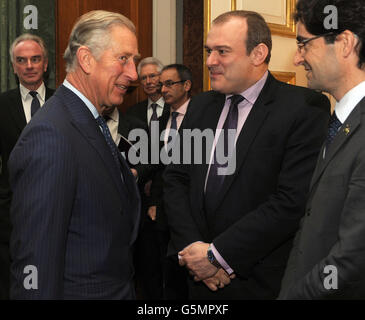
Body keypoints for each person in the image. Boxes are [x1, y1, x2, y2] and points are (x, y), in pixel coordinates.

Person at [163, 10, 330, 299]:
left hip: (257, 280)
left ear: (258, 53)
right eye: (208, 51)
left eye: (222, 51)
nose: (210, 61)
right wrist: (196, 253)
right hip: (197, 280)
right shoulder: (201, 106)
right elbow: (176, 178)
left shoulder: (303, 108)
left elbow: (290, 201)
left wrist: (217, 256)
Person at [8, 10, 141, 299]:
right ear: (85, 59)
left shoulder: (85, 119)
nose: (133, 74)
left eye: (135, 61)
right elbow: (36, 260)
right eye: (123, 59)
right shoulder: (51, 135)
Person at [279, 0, 365, 299]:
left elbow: (352, 259)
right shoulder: (338, 121)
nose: (296, 59)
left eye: (303, 43)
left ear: (343, 42)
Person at [0, 33, 54, 300]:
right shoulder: (1, 105)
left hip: (58, 208)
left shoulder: (64, 103)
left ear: (46, 64)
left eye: (35, 59)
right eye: (22, 60)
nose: (29, 65)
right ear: (13, 66)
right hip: (11, 215)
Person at [148, 63, 193, 299]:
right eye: (161, 84)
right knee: (167, 269)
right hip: (165, 209)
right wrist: (154, 201)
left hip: (192, 208)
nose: (163, 89)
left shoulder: (202, 114)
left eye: (169, 83)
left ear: (186, 86)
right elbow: (158, 166)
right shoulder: (161, 118)